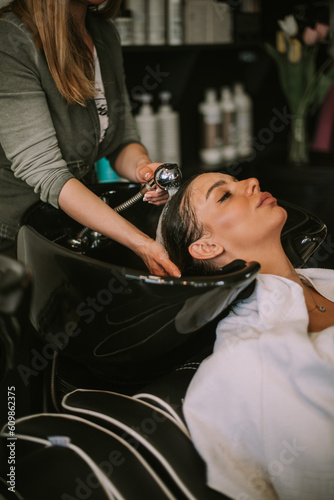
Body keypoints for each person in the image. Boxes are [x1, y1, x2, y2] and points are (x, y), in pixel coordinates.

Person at [161, 172, 334, 500]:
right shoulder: (247, 356)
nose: (252, 181)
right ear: (207, 245)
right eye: (224, 195)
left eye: (236, 182)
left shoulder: (324, 281)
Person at [0, 0, 180, 277]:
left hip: (71, 227)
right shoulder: (10, 40)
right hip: (13, 238)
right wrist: (141, 243)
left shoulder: (103, 33)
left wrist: (143, 168)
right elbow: (48, 175)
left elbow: (121, 140)